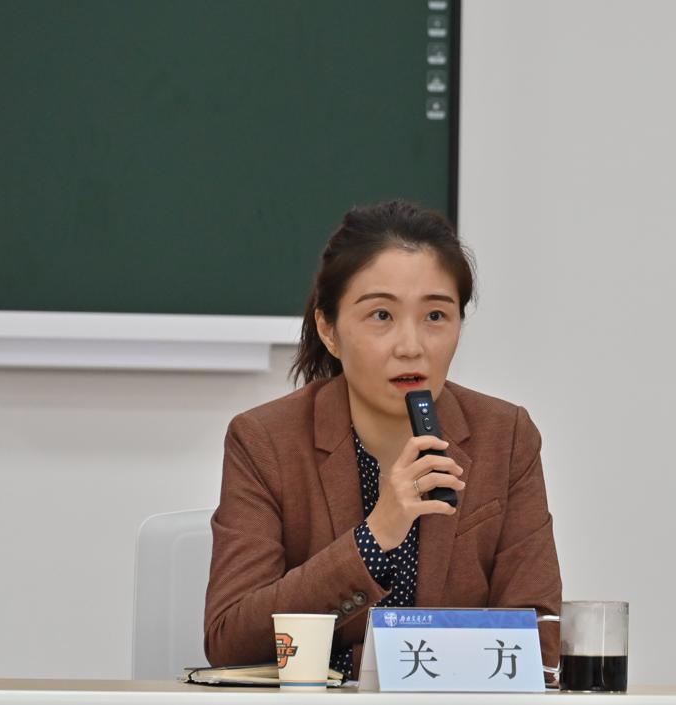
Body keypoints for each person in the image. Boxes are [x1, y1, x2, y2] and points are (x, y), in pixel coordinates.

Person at [203, 200, 562, 677]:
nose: (411, 346)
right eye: (381, 316)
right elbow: (230, 638)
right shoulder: (266, 441)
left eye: (435, 316)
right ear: (329, 329)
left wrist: (364, 668)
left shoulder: (506, 437)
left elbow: (538, 642)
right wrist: (375, 537)